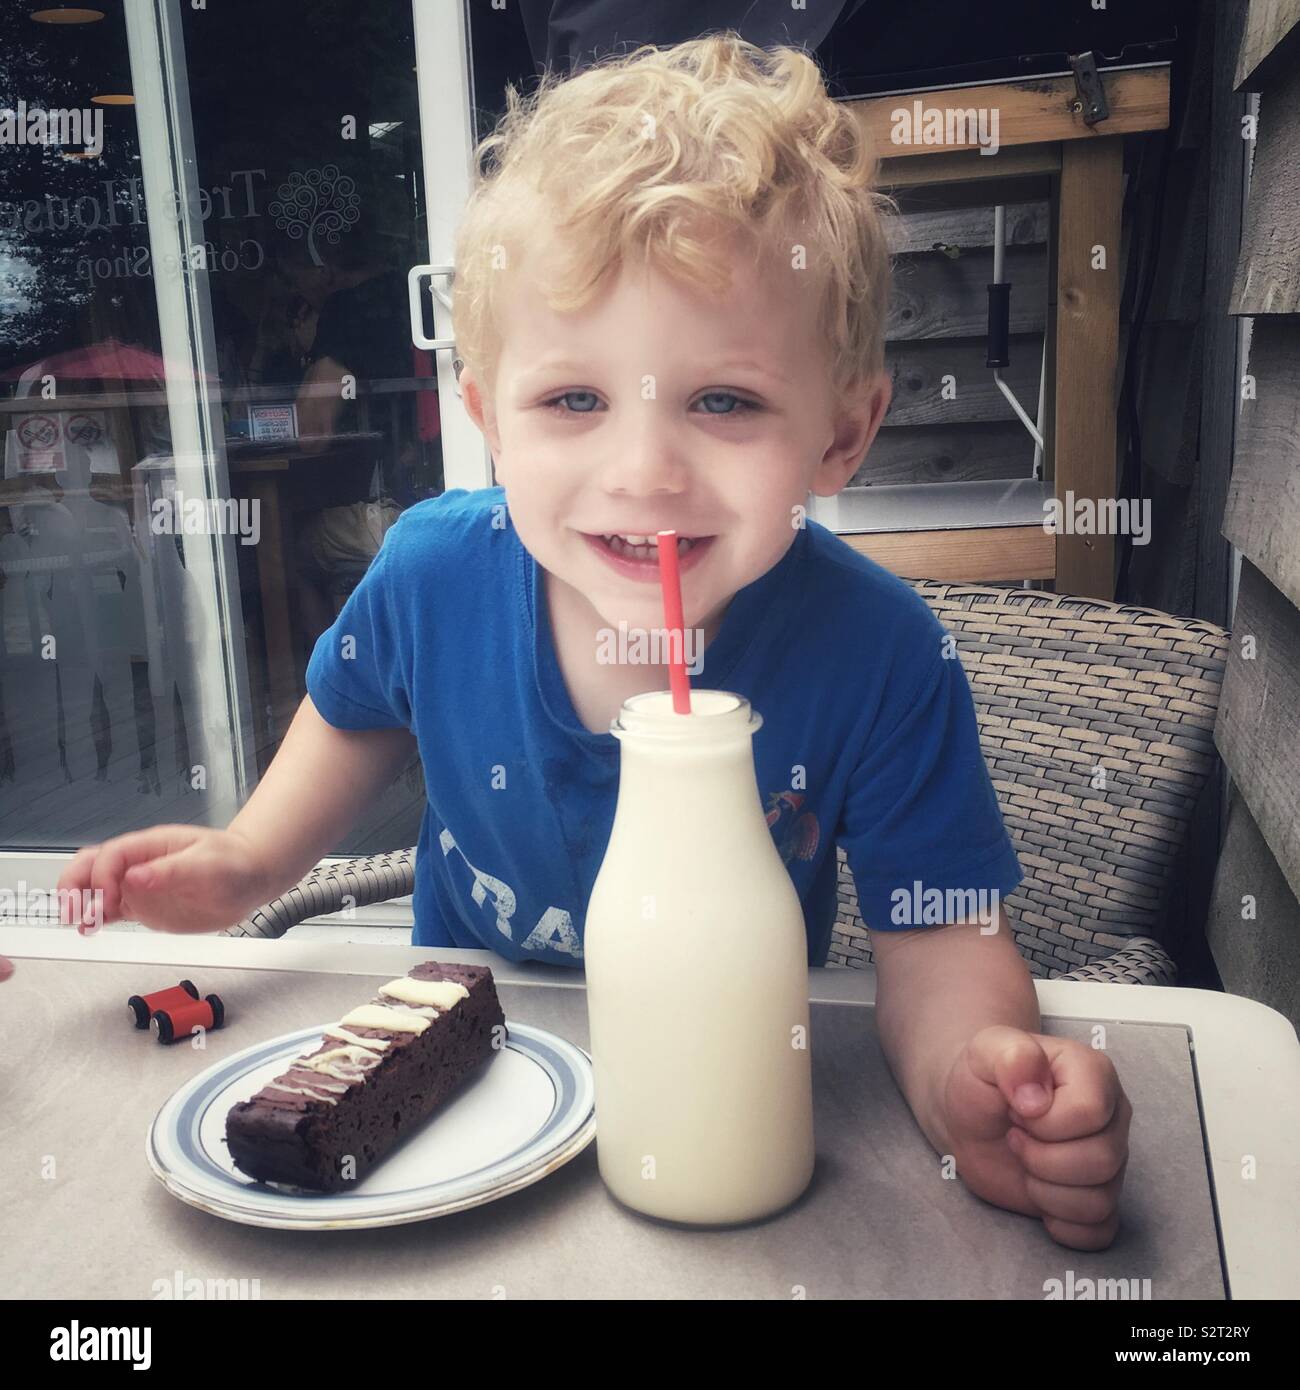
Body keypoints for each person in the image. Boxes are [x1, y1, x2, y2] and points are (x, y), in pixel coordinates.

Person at [57, 35, 1130, 1249]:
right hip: (467, 1086)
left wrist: (970, 1077)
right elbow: (355, 717)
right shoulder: (433, 574)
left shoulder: (881, 653)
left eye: (724, 401)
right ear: (486, 418)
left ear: (843, 432)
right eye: (573, 399)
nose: (643, 472)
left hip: (726, 1088)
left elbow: (937, 941)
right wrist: (248, 862)